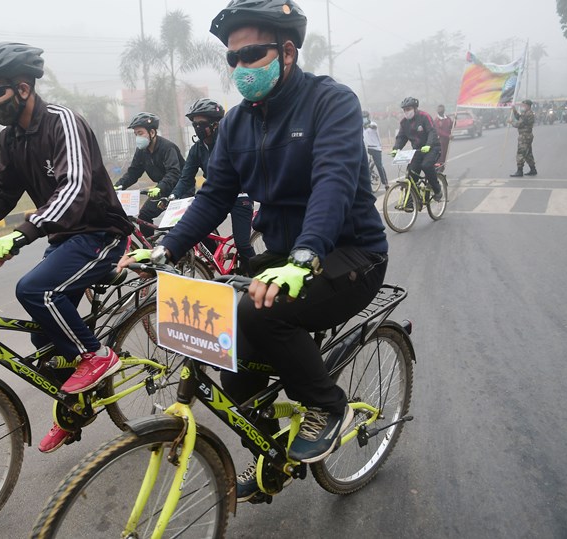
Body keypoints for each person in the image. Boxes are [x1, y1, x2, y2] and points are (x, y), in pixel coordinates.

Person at [119, 0, 388, 502]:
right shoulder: (237, 124)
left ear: (286, 52)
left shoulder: (330, 102)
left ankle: (327, 405)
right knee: (231, 356)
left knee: (264, 313)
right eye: (233, 58)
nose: (241, 66)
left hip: (350, 253)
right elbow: (214, 196)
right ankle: (271, 453)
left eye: (252, 54)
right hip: (283, 256)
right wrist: (165, 248)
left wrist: (306, 256)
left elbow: (332, 183)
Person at [0, 42, 133, 453]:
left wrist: (24, 232)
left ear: (23, 88)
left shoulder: (62, 122)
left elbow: (73, 187)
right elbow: (0, 192)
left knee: (34, 290)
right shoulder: (12, 138)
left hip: (100, 234)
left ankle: (97, 356)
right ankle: (75, 410)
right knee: (47, 344)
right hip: (65, 239)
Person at [168, 98, 257, 272]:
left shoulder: (229, 142)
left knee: (242, 244)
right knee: (198, 231)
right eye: (194, 124)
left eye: (202, 123)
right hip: (217, 196)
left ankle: (256, 276)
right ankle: (217, 257)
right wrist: (173, 195)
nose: (197, 127)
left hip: (240, 196)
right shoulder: (197, 149)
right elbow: (186, 178)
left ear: (215, 124)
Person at [113, 113, 185, 237]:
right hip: (162, 189)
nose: (137, 137)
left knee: (175, 223)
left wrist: (160, 187)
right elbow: (133, 172)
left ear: (152, 132)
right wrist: (119, 185)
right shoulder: (141, 151)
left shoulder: (167, 147)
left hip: (181, 188)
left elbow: (174, 173)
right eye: (135, 134)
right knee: (144, 216)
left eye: (140, 133)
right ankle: (149, 247)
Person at [391, 97, 443, 201]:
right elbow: (401, 137)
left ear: (415, 108)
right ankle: (411, 202)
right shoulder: (404, 122)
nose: (406, 112)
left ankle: (437, 190)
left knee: (426, 165)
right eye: (404, 110)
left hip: (432, 148)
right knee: (411, 173)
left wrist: (428, 145)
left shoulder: (424, 116)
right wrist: (396, 148)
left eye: (408, 109)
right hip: (417, 151)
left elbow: (432, 131)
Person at [362, 110, 389, 189]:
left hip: (376, 148)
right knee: (364, 165)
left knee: (379, 165)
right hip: (367, 148)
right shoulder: (361, 126)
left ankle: (385, 183)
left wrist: (367, 126)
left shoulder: (373, 124)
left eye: (365, 117)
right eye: (362, 118)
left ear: (368, 117)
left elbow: (374, 127)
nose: (364, 119)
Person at [509, 99, 537, 176]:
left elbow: (519, 124)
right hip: (526, 136)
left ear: (528, 106)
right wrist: (514, 110)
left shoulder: (528, 114)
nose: (522, 106)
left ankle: (519, 171)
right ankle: (533, 169)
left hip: (525, 136)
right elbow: (519, 117)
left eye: (524, 105)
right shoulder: (525, 113)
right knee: (528, 154)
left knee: (520, 153)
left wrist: (511, 122)